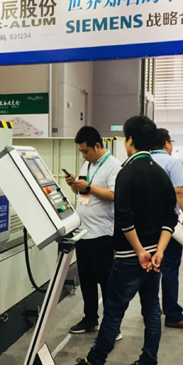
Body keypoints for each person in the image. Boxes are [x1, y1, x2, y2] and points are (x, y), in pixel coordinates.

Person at [64, 115, 177, 365]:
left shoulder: (126, 172)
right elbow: (170, 218)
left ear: (130, 140)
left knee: (114, 310)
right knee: (152, 310)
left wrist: (139, 251)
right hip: (154, 257)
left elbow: (125, 219)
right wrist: (159, 251)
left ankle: (95, 363)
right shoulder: (161, 173)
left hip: (130, 256)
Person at [64, 126, 121, 335]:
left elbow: (115, 195)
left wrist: (88, 187)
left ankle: (112, 325)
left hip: (102, 233)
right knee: (86, 279)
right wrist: (74, 185)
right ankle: (90, 319)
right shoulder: (88, 164)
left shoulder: (113, 166)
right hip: (83, 232)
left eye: (86, 151)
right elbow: (82, 192)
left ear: (97, 146)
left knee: (106, 282)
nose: (83, 155)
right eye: (81, 151)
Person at [151, 129, 183, 329]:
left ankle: (152, 309)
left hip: (146, 224)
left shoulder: (143, 161)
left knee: (151, 268)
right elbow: (179, 191)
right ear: (167, 144)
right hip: (167, 224)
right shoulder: (171, 162)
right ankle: (173, 314)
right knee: (169, 267)